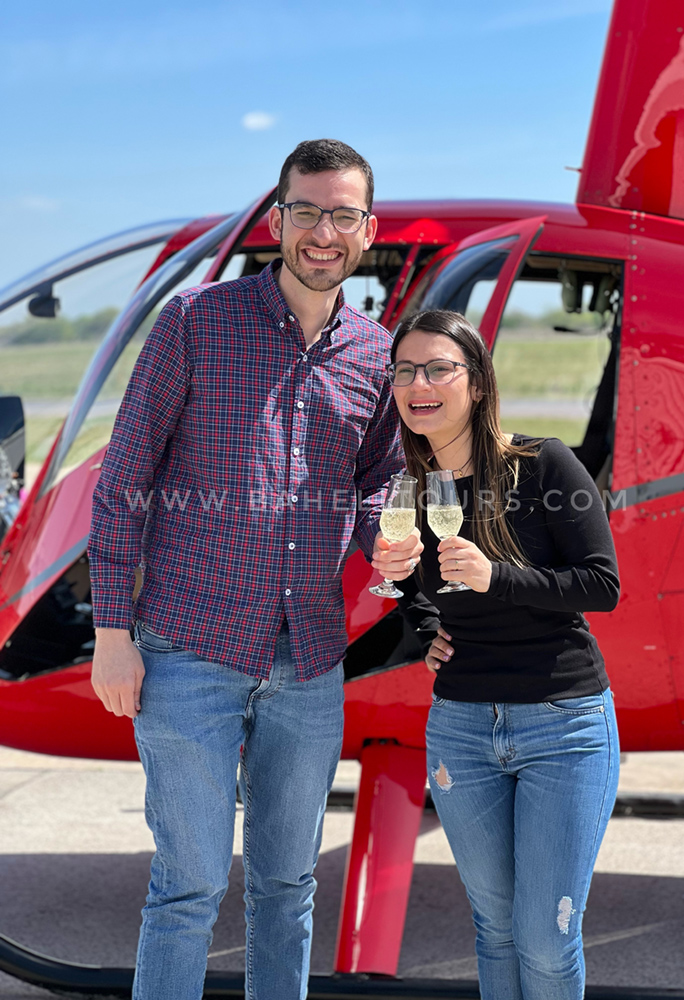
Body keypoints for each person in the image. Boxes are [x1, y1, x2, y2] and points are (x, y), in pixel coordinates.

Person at [88, 138, 422, 1000]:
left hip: (308, 659)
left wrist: (381, 535)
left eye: (342, 214)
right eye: (306, 210)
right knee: (189, 888)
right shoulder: (197, 323)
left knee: (287, 888)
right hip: (188, 648)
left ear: (368, 230)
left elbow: (373, 478)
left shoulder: (374, 352)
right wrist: (111, 634)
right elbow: (123, 477)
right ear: (276, 220)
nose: (323, 231)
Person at [371, 309, 620, 1000]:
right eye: (404, 370)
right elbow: (415, 591)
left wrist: (497, 576)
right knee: (497, 928)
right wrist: (419, 619)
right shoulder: (411, 488)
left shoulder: (546, 465)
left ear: (477, 383)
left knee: (546, 938)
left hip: (563, 722)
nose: (419, 382)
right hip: (462, 728)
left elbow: (603, 586)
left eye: (439, 368)